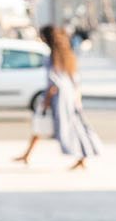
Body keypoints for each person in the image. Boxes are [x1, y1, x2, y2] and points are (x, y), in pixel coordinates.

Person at [13, 26, 101, 170]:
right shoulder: (68, 55)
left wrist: (47, 100)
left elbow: (54, 81)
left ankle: (82, 156)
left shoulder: (53, 57)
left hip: (58, 97)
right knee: (72, 125)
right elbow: (74, 78)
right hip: (70, 95)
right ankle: (28, 154)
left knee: (56, 124)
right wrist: (77, 96)